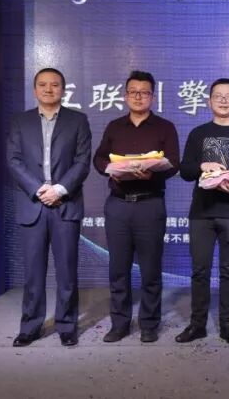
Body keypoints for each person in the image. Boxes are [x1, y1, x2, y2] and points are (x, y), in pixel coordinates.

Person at [93, 70, 180, 343]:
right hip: (118, 206)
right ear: (125, 95)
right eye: (133, 92)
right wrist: (111, 170)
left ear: (153, 97)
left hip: (150, 205)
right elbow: (99, 158)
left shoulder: (165, 127)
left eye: (144, 92)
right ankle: (119, 323)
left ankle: (149, 324)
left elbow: (174, 162)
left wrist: (152, 172)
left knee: (151, 269)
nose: (138, 97)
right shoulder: (114, 127)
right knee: (118, 269)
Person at [7, 67, 92, 347]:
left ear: (63, 90)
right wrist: (39, 189)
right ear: (35, 90)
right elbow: (14, 160)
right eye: (42, 84)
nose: (48, 89)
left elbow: (82, 161)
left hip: (65, 203)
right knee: (33, 272)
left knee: (67, 271)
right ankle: (30, 326)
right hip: (33, 203)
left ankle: (67, 325)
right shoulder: (20, 122)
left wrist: (59, 189)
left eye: (54, 84)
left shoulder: (78, 121)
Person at [174, 78, 229, 346]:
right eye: (218, 96)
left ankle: (227, 326)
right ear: (209, 100)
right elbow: (185, 170)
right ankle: (197, 324)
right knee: (200, 270)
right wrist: (202, 166)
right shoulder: (198, 133)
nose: (223, 100)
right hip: (202, 213)